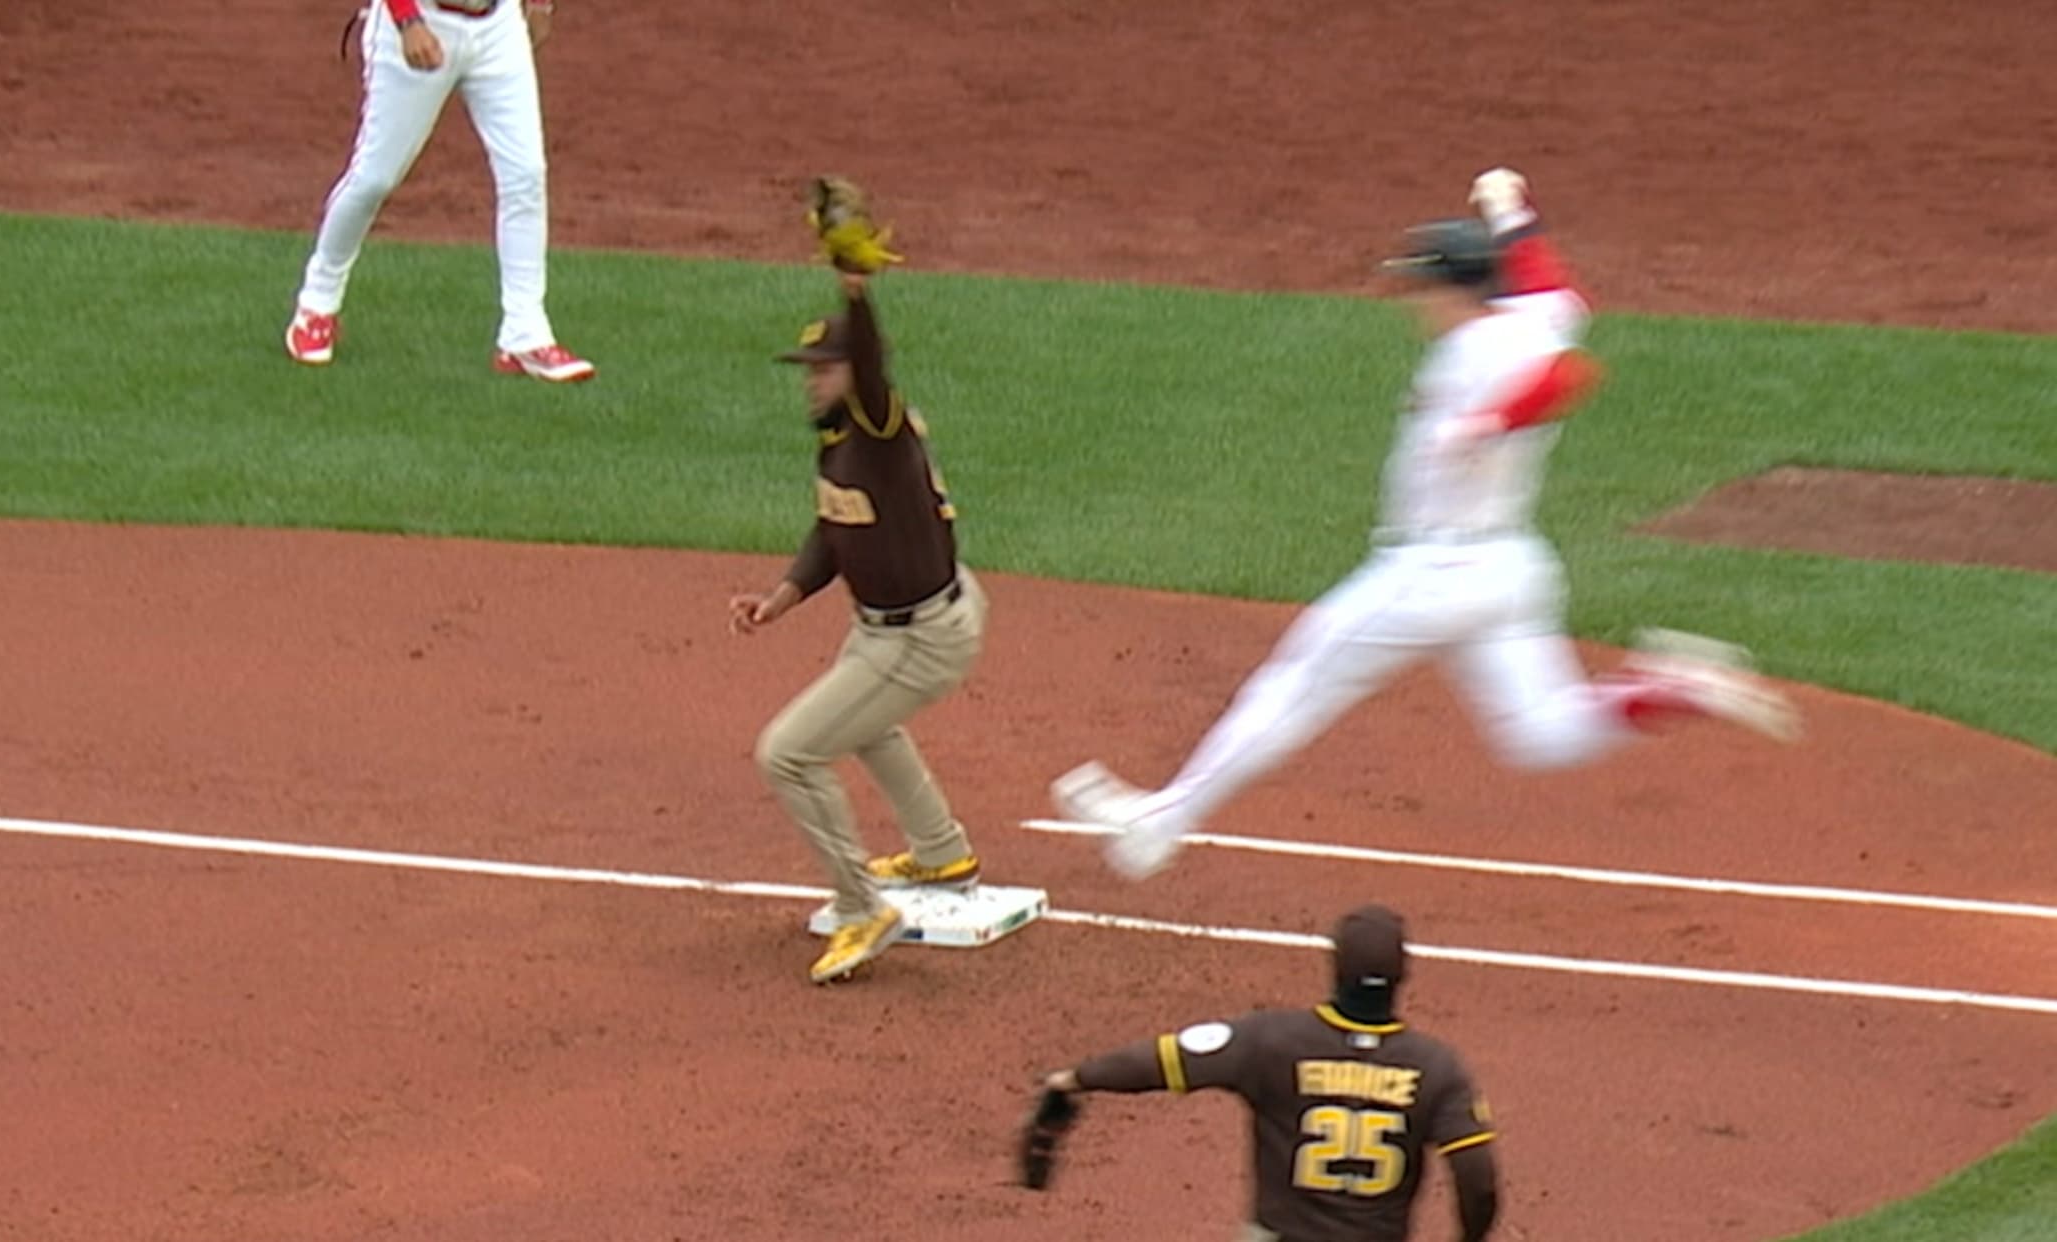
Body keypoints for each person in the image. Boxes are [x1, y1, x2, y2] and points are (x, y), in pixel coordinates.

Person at [1051, 167, 1801, 882]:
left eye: (1422, 286)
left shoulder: (1474, 352)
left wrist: (1486, 422)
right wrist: (1508, 208)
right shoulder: (1531, 320)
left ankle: (1160, 822)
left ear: (1450, 288)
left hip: (1431, 576)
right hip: (1509, 570)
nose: (1414, 301)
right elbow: (1556, 291)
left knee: (1294, 681)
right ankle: (1672, 688)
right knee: (1542, 732)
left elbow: (1568, 379)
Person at [728, 194, 988, 984]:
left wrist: (854, 289)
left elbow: (874, 368)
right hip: (888, 629)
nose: (812, 384)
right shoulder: (842, 444)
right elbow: (835, 527)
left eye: (825, 370)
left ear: (856, 376)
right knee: (864, 722)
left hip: (921, 635)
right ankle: (941, 852)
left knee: (787, 754)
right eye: (808, 371)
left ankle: (861, 906)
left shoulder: (878, 428)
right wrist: (783, 595)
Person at [1026, 905, 1500, 1242]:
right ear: (1402, 976)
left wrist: (1075, 1078)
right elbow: (1477, 1178)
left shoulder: (1272, 1041)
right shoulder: (1436, 1066)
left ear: (1335, 967)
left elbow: (1162, 1059)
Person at [283, 0, 594, 382]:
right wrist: (407, 21)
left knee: (525, 176)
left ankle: (525, 334)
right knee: (374, 178)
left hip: (498, 26)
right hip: (420, 21)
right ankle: (317, 303)